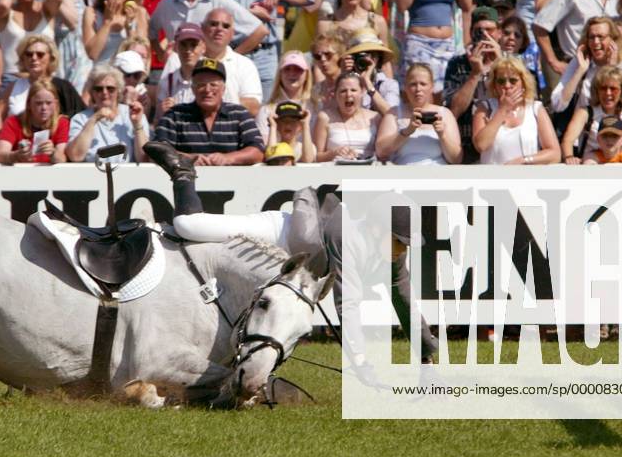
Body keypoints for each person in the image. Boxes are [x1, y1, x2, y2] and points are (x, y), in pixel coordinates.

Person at [141, 141, 439, 367]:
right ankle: (182, 171)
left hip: (294, 265)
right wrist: (359, 358)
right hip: (275, 236)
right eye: (399, 241)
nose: (403, 249)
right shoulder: (346, 235)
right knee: (187, 225)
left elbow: (404, 300)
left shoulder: (391, 254)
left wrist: (427, 354)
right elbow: (347, 303)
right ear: (377, 229)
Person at [152, 57, 264, 165]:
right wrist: (187, 159)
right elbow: (156, 151)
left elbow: (257, 151)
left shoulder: (240, 114)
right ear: (193, 89)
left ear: (223, 89)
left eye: (213, 85)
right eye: (201, 85)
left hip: (232, 182)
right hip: (185, 181)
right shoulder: (175, 115)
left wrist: (228, 158)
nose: (207, 90)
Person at [157, 8, 264, 114]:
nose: (219, 29)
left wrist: (215, 102)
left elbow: (254, 107)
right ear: (202, 28)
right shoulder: (177, 59)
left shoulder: (245, 65)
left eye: (226, 26)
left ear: (232, 33)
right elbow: (161, 103)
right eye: (213, 24)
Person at [472, 55, 561, 165]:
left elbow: (555, 154)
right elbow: (481, 145)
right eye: (501, 81)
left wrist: (524, 160)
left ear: (523, 82)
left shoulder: (535, 108)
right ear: (494, 85)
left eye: (513, 80)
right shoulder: (485, 108)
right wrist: (502, 110)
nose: (507, 85)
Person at [442, 6, 503, 163]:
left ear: (499, 33)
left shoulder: (512, 62)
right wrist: (474, 74)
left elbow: (519, 103)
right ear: (470, 33)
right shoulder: (458, 64)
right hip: (467, 145)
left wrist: (500, 65)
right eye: (479, 30)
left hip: (503, 143)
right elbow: (453, 111)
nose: (484, 35)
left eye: (490, 30)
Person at [0, 0, 70, 79]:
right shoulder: (6, 14)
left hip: (44, 78)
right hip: (12, 78)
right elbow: (3, 4)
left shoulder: (46, 10)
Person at [550, 16, 622, 130]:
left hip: (612, 134)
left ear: (612, 40)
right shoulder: (579, 61)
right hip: (582, 137)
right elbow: (557, 105)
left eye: (601, 37)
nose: (596, 42)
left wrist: (611, 69)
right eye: (592, 37)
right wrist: (580, 71)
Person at [376, 63, 461, 165]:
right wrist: (406, 132)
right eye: (413, 84)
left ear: (431, 87)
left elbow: (456, 159)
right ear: (406, 87)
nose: (418, 89)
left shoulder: (445, 114)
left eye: (423, 84)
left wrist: (443, 135)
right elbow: (381, 152)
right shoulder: (393, 114)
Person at [66, 64, 149, 163]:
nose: (104, 93)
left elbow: (144, 158)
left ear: (119, 91)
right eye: (98, 89)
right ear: (92, 93)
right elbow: (75, 156)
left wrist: (137, 125)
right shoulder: (80, 118)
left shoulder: (133, 114)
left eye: (110, 89)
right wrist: (93, 119)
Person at [0, 34, 83, 118]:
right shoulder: (14, 86)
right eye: (29, 54)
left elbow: (80, 117)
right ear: (22, 59)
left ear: (51, 58)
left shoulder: (64, 88)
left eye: (40, 54)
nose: (34, 58)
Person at [560, 65, 622, 163]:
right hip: (591, 165)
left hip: (621, 164)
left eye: (613, 88)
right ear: (597, 90)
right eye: (603, 88)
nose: (608, 93)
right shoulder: (585, 113)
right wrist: (569, 157)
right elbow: (568, 140)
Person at [82, 0, 150, 66]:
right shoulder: (91, 12)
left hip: (129, 74)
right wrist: (107, 23)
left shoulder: (139, 12)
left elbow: (139, 53)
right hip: (102, 73)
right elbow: (92, 54)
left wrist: (129, 26)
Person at [0, 78, 69, 164]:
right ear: (29, 104)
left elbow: (62, 158)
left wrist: (53, 153)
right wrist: (16, 155)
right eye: (38, 103)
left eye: (48, 103)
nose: (44, 108)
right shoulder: (13, 122)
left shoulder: (62, 123)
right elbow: (0, 155)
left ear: (56, 104)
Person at [313, 71, 380, 162]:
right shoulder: (324, 117)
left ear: (362, 92)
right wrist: (334, 153)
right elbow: (316, 157)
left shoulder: (375, 117)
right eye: (343, 91)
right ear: (335, 94)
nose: (348, 95)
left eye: (353, 90)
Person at [255, 50, 315, 140]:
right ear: (280, 74)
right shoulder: (266, 111)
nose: (292, 73)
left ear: (307, 74)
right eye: (287, 69)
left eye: (298, 69)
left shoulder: (316, 107)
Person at [155, 23, 206, 121]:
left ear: (203, 47)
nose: (188, 50)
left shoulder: (212, 80)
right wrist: (163, 113)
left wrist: (179, 111)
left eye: (193, 45)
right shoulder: (167, 82)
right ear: (175, 47)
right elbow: (157, 122)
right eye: (183, 45)